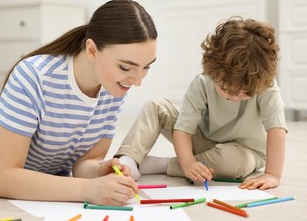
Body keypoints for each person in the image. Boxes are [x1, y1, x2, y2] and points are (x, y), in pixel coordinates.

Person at [0, 0, 158, 206]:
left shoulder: (113, 85)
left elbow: (85, 161)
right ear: (92, 50)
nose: (137, 81)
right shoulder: (34, 75)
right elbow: (2, 179)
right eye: (126, 67)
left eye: (146, 67)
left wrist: (99, 172)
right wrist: (88, 189)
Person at [116, 17, 288, 190]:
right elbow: (183, 130)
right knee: (156, 106)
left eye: (245, 94)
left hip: (244, 151)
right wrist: (188, 161)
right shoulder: (202, 83)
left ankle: (162, 165)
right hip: (204, 140)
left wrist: (272, 174)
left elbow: (277, 130)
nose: (234, 98)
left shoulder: (267, 87)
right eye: (227, 90)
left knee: (233, 162)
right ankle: (129, 160)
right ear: (213, 72)